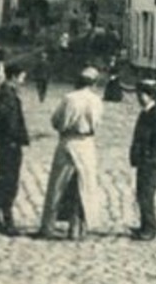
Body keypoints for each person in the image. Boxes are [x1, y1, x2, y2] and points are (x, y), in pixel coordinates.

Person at [37, 68, 105, 241]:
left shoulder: (69, 98)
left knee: (58, 185)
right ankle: (77, 227)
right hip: (86, 144)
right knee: (84, 186)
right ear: (94, 83)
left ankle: (48, 226)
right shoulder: (96, 100)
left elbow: (56, 121)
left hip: (68, 142)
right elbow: (97, 123)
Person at [0, 62, 31, 236]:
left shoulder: (7, 93)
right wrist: (13, 138)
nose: (23, 80)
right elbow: (6, 120)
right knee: (8, 182)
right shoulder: (7, 95)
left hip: (6, 142)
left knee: (3, 180)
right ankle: (6, 219)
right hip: (9, 144)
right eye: (21, 77)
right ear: (14, 77)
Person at [128, 77, 156, 242]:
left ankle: (150, 229)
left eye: (143, 95)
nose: (139, 98)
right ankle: (144, 225)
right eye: (139, 94)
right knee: (141, 194)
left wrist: (147, 150)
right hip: (144, 161)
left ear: (150, 96)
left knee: (146, 194)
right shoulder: (145, 112)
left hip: (152, 161)